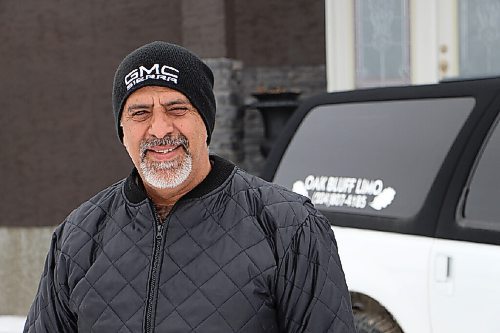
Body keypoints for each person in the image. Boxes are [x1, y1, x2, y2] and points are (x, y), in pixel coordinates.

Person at [24, 41, 355, 333]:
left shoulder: (288, 226)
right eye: (140, 113)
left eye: (177, 109)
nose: (159, 129)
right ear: (123, 131)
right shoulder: (78, 236)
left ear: (206, 122)